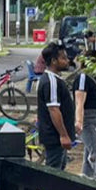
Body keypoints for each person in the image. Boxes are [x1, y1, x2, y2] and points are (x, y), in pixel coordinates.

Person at [35, 42, 76, 171]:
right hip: (54, 137)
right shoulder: (51, 82)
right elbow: (53, 109)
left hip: (57, 137)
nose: (67, 61)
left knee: (59, 170)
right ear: (53, 61)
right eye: (63, 58)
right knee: (53, 172)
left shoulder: (55, 80)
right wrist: (63, 135)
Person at [73, 50, 96, 184]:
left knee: (91, 157)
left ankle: (85, 187)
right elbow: (79, 101)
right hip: (88, 119)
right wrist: (79, 121)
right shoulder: (83, 77)